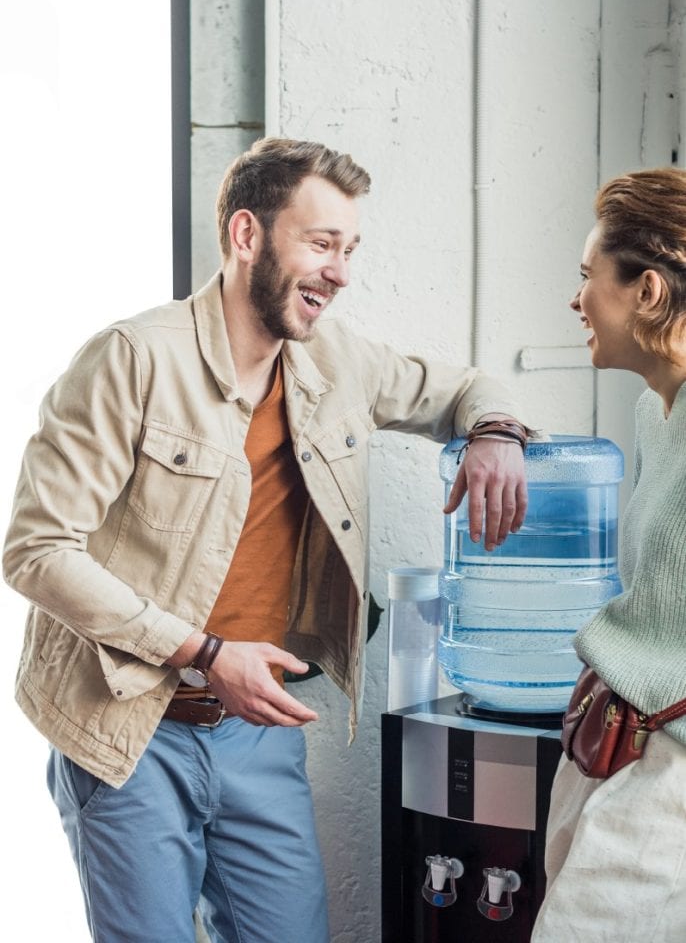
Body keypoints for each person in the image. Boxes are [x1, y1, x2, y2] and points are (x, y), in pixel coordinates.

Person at [3, 137, 530, 943]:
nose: (340, 273)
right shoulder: (132, 359)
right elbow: (36, 549)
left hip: (258, 736)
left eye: (349, 250)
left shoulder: (337, 362)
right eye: (321, 243)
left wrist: (494, 431)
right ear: (247, 234)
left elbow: (462, 387)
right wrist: (206, 652)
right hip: (128, 732)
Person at [531, 167, 686, 942]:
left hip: (671, 769)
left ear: (647, 292)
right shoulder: (655, 411)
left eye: (589, 275)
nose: (577, 299)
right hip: (611, 737)